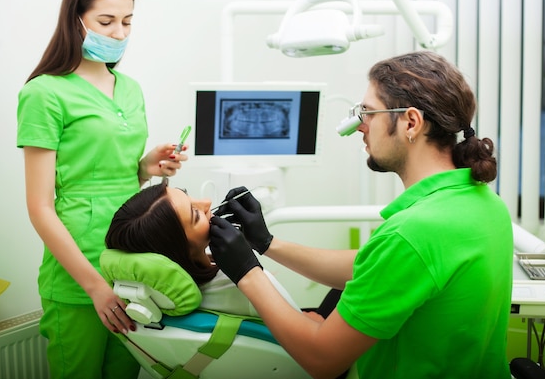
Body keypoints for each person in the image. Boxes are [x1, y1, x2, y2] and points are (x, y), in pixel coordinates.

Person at [208, 51, 514, 379]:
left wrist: (247, 273)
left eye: (367, 113)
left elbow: (321, 359)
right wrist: (267, 243)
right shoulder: (485, 203)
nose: (359, 127)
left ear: (411, 122)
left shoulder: (412, 234)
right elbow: (373, 267)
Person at [16, 0, 186, 378]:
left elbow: (121, 175)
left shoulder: (129, 88)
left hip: (132, 263)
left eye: (128, 21)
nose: (120, 33)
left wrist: (147, 167)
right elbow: (39, 206)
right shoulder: (44, 93)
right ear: (75, 20)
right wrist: (93, 286)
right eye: (106, 21)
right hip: (79, 274)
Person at [105, 181, 340, 320]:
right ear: (180, 251)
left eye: (189, 195)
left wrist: (264, 242)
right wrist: (252, 269)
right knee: (352, 285)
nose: (207, 202)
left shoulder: (155, 293)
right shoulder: (240, 286)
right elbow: (315, 329)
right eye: (195, 214)